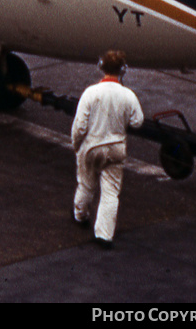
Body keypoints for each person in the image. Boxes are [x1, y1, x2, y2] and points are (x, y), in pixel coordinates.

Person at [71, 49, 144, 248]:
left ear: (101, 68)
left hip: (91, 146)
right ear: (123, 71)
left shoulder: (90, 93)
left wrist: (77, 145)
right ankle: (104, 235)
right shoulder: (128, 95)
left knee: (86, 184)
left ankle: (80, 215)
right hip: (115, 148)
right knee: (110, 192)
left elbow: (80, 126)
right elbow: (138, 121)